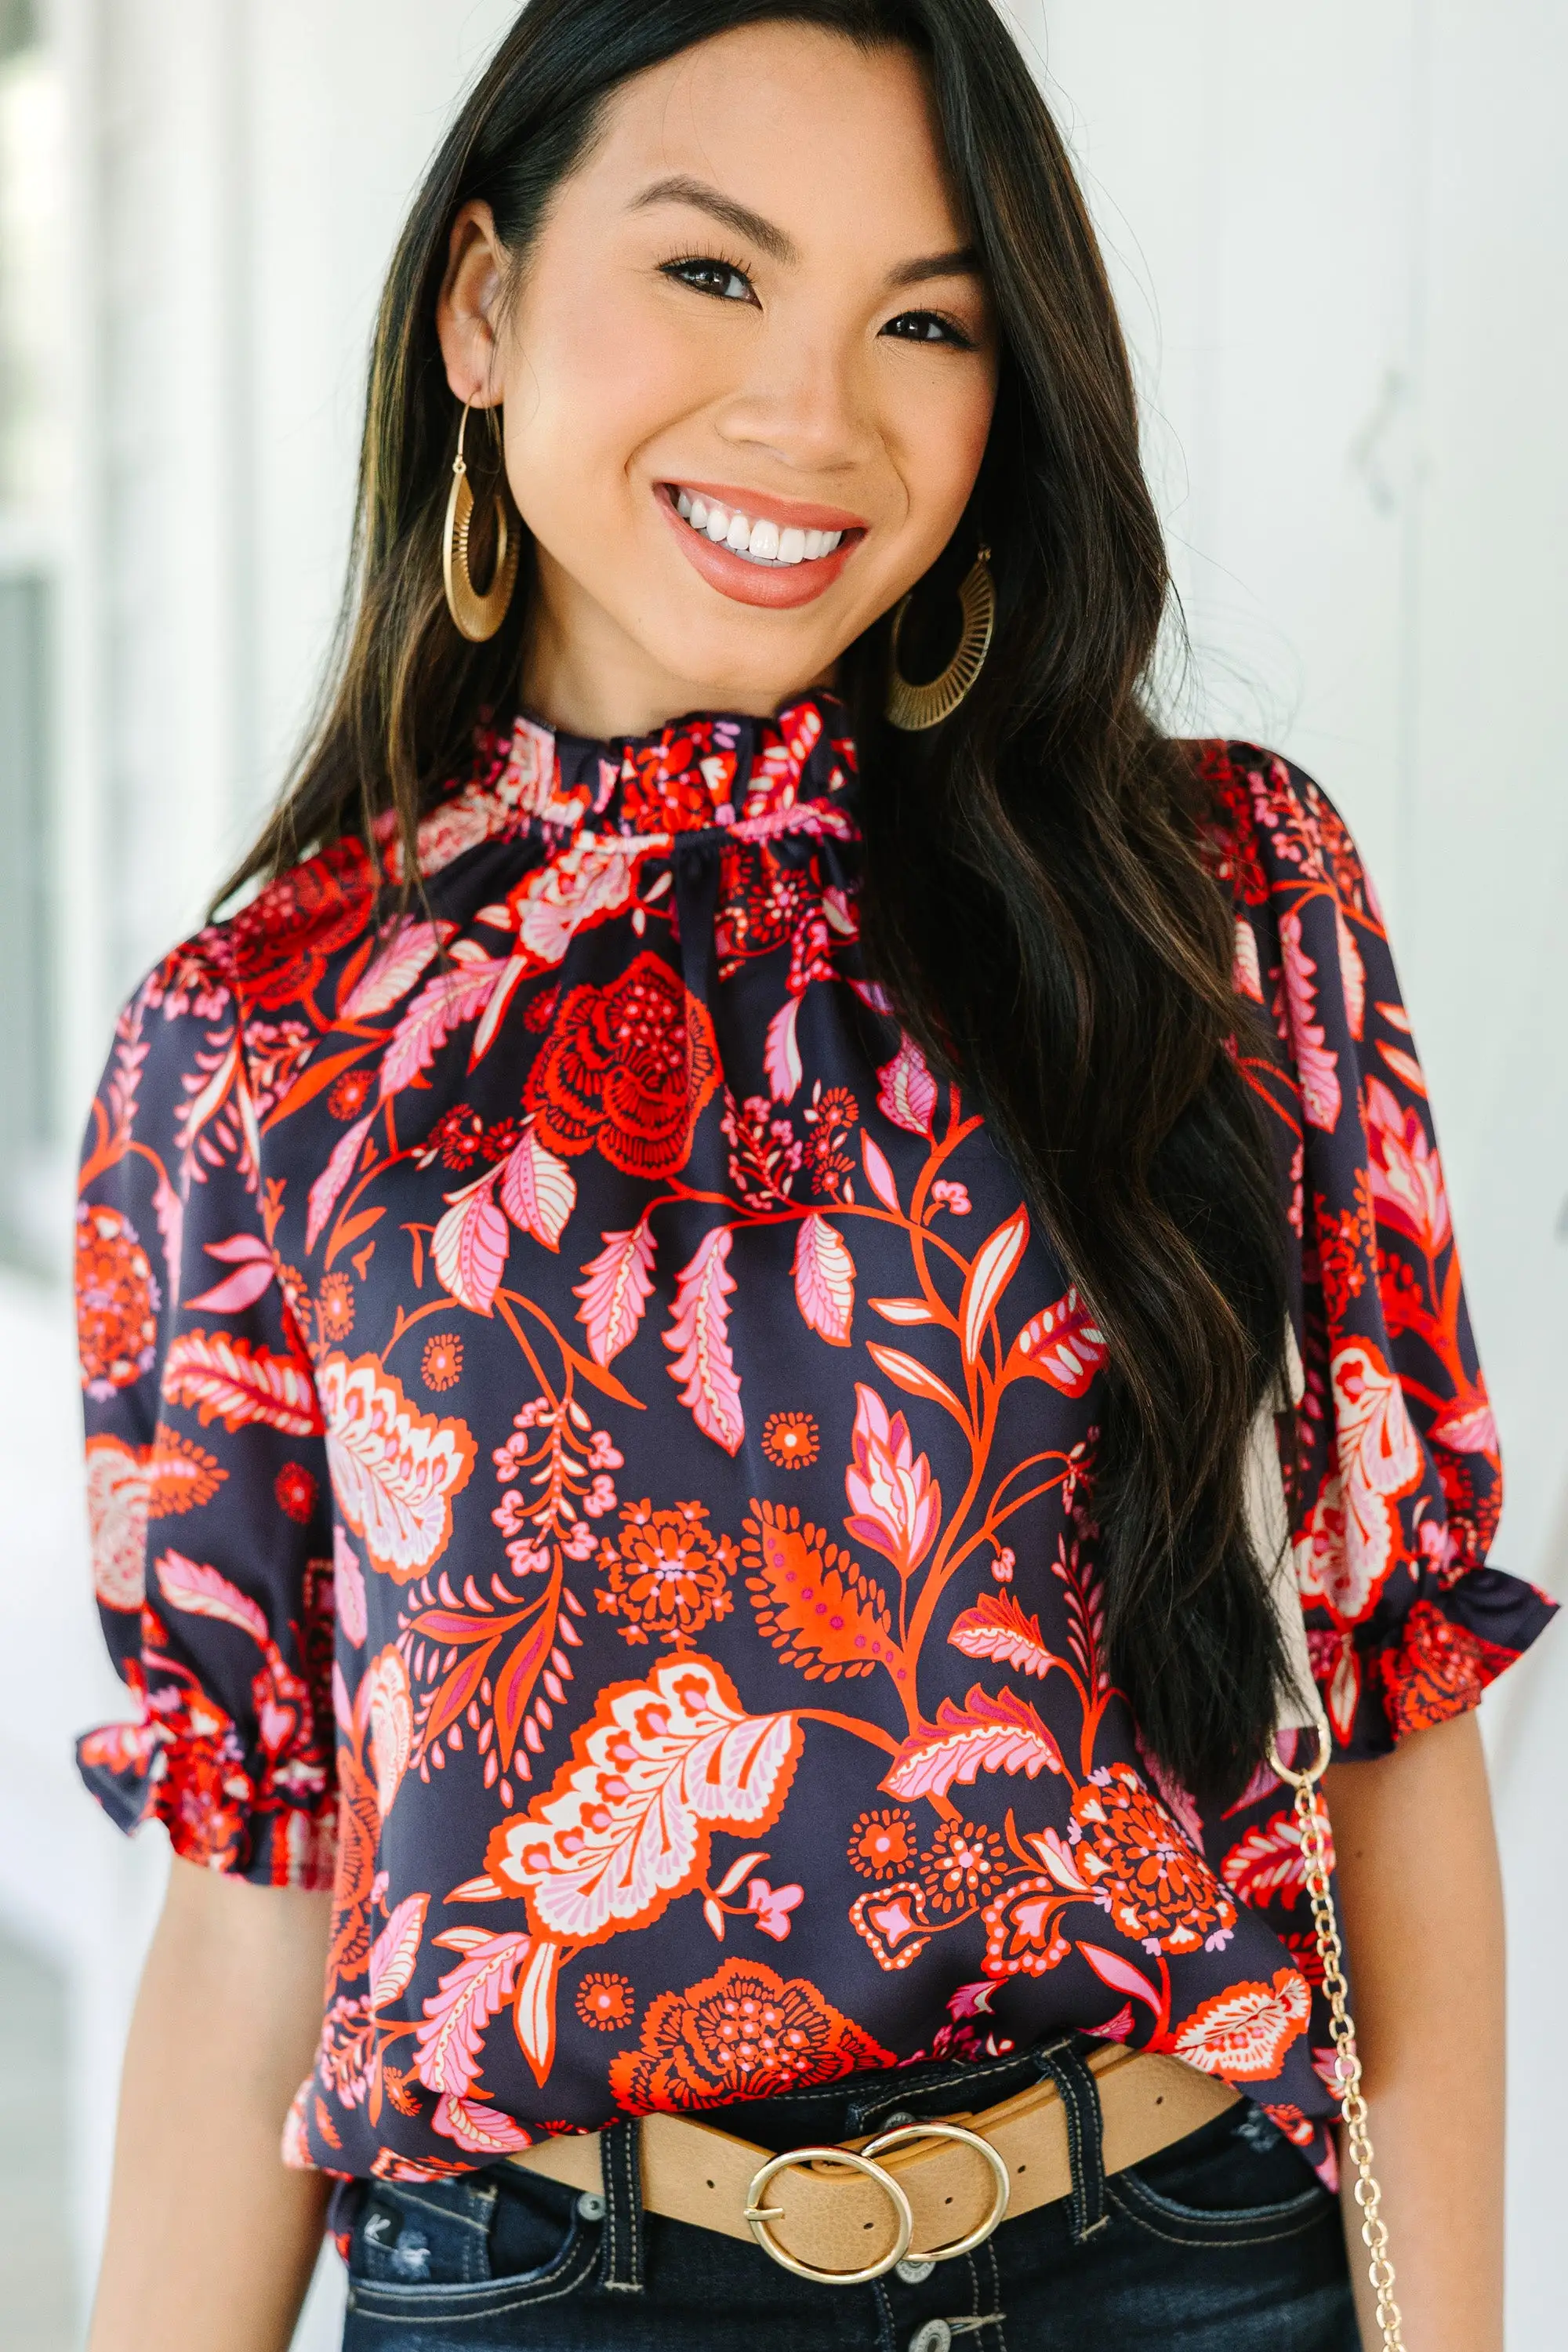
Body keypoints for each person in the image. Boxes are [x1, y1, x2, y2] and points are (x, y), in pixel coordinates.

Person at [74, 5, 1553, 2348]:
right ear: (479, 299)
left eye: (927, 318)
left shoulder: (1222, 903)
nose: (812, 418)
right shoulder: (263, 1039)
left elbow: (1398, 1718)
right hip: (552, 2289)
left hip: (1180, 2262)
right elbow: (260, 1888)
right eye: (714, 273)